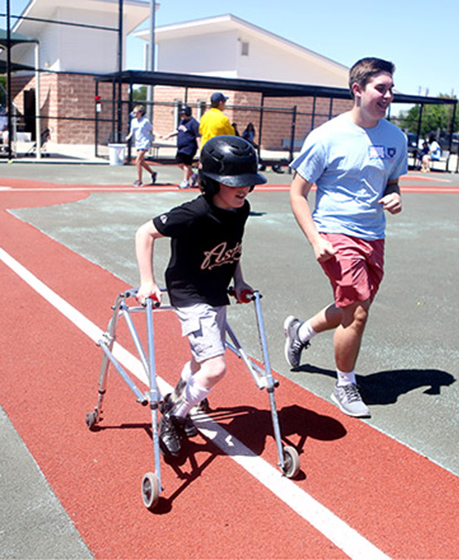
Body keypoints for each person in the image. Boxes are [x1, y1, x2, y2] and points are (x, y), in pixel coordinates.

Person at [283, 57, 407, 418]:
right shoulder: (326, 136)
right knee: (357, 314)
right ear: (357, 89)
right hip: (335, 231)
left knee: (356, 306)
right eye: (380, 88)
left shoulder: (395, 137)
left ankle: (301, 332)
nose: (388, 96)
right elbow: (296, 193)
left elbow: (393, 181)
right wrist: (316, 240)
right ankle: (345, 384)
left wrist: (396, 196)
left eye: (391, 89)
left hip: (375, 234)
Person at [135, 135, 267, 456]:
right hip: (190, 293)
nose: (244, 189)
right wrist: (147, 282)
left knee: (201, 359)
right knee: (215, 367)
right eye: (235, 182)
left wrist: (239, 281)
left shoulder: (241, 209)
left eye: (248, 182)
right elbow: (145, 232)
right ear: (210, 181)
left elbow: (233, 250)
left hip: (216, 291)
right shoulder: (193, 213)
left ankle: (178, 395)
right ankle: (174, 416)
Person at [161, 105, 200, 189]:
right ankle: (193, 175)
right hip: (181, 147)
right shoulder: (182, 122)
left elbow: (198, 136)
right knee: (179, 163)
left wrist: (200, 148)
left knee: (186, 164)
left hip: (190, 147)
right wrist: (168, 135)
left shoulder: (194, 123)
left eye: (183, 113)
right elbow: (178, 130)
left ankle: (186, 181)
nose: (182, 115)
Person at [125, 105, 158, 187]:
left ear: (141, 113)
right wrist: (129, 136)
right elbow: (132, 131)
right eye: (134, 113)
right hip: (138, 143)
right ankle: (153, 173)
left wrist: (158, 135)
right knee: (141, 162)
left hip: (144, 142)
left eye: (136, 113)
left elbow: (151, 130)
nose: (135, 114)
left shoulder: (145, 121)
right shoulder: (133, 121)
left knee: (138, 161)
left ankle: (139, 180)